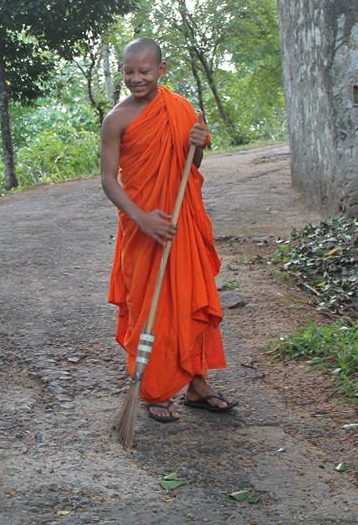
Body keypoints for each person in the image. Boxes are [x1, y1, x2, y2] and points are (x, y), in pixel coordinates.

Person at [101, 37, 236, 423]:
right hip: (142, 226)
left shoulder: (179, 109)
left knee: (189, 295)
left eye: (144, 71)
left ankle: (197, 382)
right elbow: (109, 180)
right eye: (129, 71)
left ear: (161, 70)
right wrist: (141, 218)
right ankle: (154, 388)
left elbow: (190, 165)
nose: (136, 79)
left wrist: (198, 144)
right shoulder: (117, 120)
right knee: (150, 303)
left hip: (180, 223)